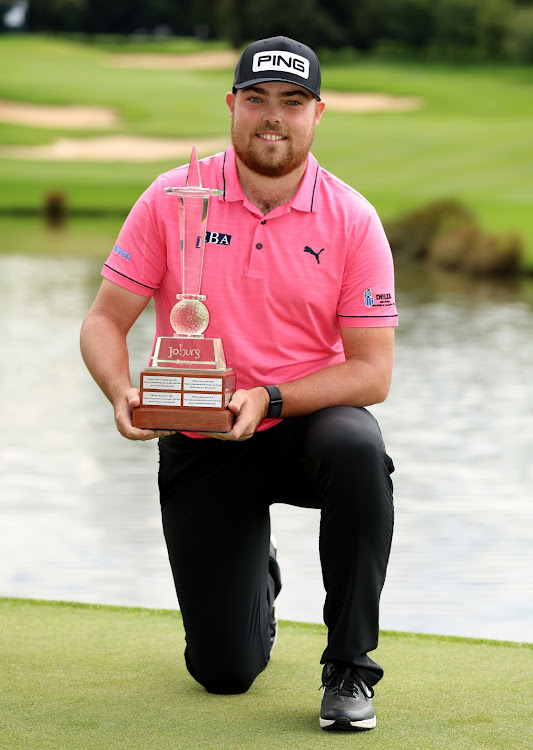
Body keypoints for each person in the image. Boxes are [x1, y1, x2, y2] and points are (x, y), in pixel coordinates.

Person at [80, 36, 397, 732]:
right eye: (255, 100)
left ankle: (349, 668)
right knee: (223, 674)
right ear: (231, 105)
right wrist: (118, 389)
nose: (271, 117)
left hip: (300, 426)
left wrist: (270, 397)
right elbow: (105, 320)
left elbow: (371, 373)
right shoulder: (171, 197)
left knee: (357, 448)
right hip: (201, 435)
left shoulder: (352, 219)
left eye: (291, 102)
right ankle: (261, 574)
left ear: (318, 114)